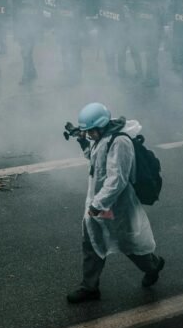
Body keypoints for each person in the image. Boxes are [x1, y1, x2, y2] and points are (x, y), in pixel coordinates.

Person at [66, 103, 164, 303]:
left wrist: (98, 204)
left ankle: (153, 266)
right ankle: (90, 287)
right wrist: (82, 140)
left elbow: (117, 179)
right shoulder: (101, 137)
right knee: (92, 243)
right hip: (97, 203)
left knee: (129, 243)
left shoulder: (120, 142)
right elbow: (95, 159)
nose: (89, 135)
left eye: (89, 131)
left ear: (101, 126)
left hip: (116, 206)